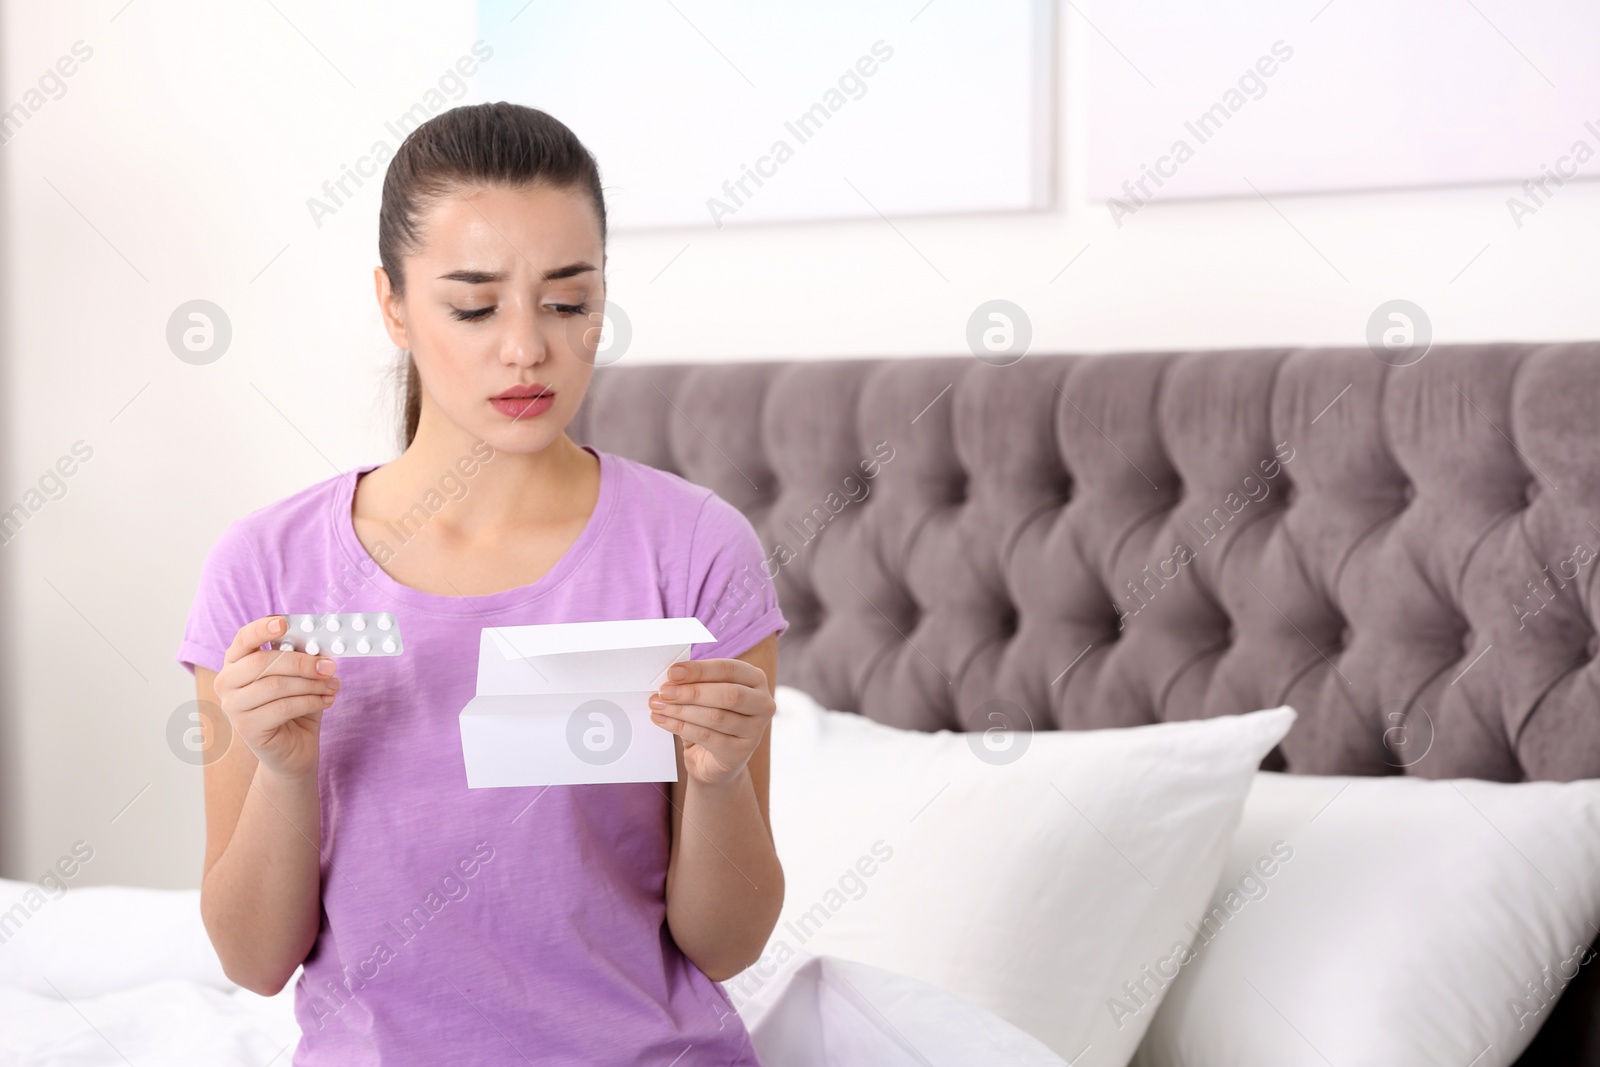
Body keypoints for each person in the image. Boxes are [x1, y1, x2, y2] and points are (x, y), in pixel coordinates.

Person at [174, 102, 788, 1064]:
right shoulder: (263, 569)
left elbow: (731, 942)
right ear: (393, 304)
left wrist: (716, 786)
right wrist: (286, 773)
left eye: (569, 300)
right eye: (473, 305)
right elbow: (254, 959)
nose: (526, 349)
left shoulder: (696, 549)